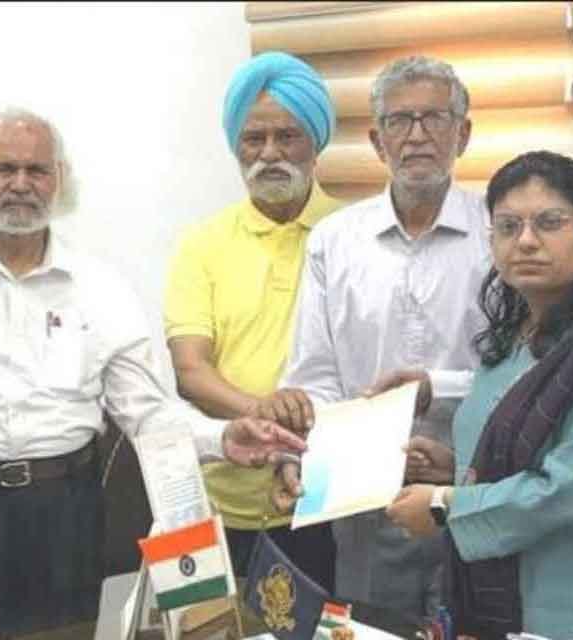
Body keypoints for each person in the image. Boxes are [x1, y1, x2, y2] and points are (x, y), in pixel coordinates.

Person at [0, 108, 307, 639]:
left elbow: (147, 412)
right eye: (4, 169)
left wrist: (222, 437)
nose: (21, 184)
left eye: (37, 171)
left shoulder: (99, 286)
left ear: (59, 179)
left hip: (67, 514)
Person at [386, 151, 573, 640]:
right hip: (491, 596)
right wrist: (451, 467)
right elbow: (509, 455)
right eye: (508, 226)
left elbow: (568, 489)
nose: (526, 240)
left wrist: (443, 505)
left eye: (549, 223)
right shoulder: (507, 343)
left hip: (569, 604)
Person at [262, 55, 491, 617]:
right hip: (363, 499)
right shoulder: (334, 240)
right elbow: (315, 374)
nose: (417, 135)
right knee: (371, 628)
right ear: (376, 140)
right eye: (399, 120)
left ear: (462, 134)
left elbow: (519, 375)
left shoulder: (501, 232)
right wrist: (296, 456)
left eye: (434, 118)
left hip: (473, 488)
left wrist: (437, 388)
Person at [164, 51, 343, 590]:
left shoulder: (351, 236)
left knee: (325, 624)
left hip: (325, 498)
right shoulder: (201, 244)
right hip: (216, 499)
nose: (268, 153)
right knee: (210, 624)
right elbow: (190, 371)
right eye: (253, 139)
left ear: (316, 142)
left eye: (287, 136)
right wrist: (262, 413)